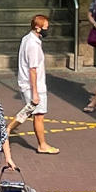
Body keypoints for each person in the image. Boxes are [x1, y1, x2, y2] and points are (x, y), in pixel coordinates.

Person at [8, 15, 59, 154]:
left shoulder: (28, 39)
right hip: (34, 86)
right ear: (38, 27)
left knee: (28, 112)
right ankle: (42, 144)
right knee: (38, 115)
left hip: (27, 84)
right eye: (45, 28)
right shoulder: (33, 45)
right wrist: (35, 93)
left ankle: (6, 131)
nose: (47, 30)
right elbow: (33, 70)